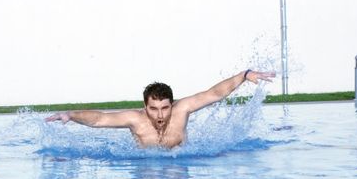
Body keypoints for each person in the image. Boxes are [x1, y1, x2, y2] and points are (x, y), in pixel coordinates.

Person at [45, 70, 275, 148]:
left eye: (165, 108)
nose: (160, 115)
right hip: (148, 167)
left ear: (171, 105)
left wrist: (244, 75)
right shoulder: (135, 119)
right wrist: (71, 114)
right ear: (145, 107)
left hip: (178, 161)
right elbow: (98, 119)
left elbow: (214, 94)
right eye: (153, 109)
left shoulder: (182, 109)